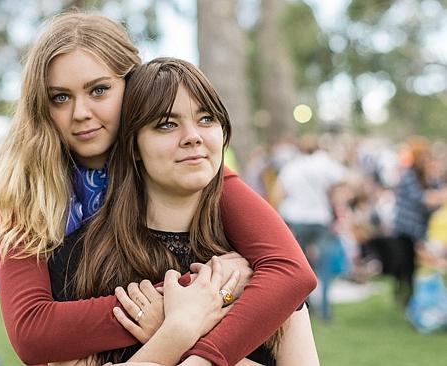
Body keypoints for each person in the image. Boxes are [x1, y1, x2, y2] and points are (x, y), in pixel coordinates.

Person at [0, 12, 316, 365]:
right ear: (40, 107)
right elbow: (32, 332)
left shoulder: (186, 169)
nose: (81, 112)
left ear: (134, 87)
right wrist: (187, 301)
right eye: (60, 97)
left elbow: (289, 270)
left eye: (99, 90)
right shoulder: (27, 192)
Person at [47, 57, 319, 365]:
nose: (193, 136)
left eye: (206, 119)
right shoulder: (80, 261)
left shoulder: (258, 266)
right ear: (134, 146)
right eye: (166, 124)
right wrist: (178, 329)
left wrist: (178, 340)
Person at [392, 136, 447, 306]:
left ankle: (415, 299)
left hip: (421, 229)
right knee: (406, 265)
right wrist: (440, 196)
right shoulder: (408, 175)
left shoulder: (428, 176)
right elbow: (422, 198)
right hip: (406, 229)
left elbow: (435, 197)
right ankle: (405, 298)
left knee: (419, 267)